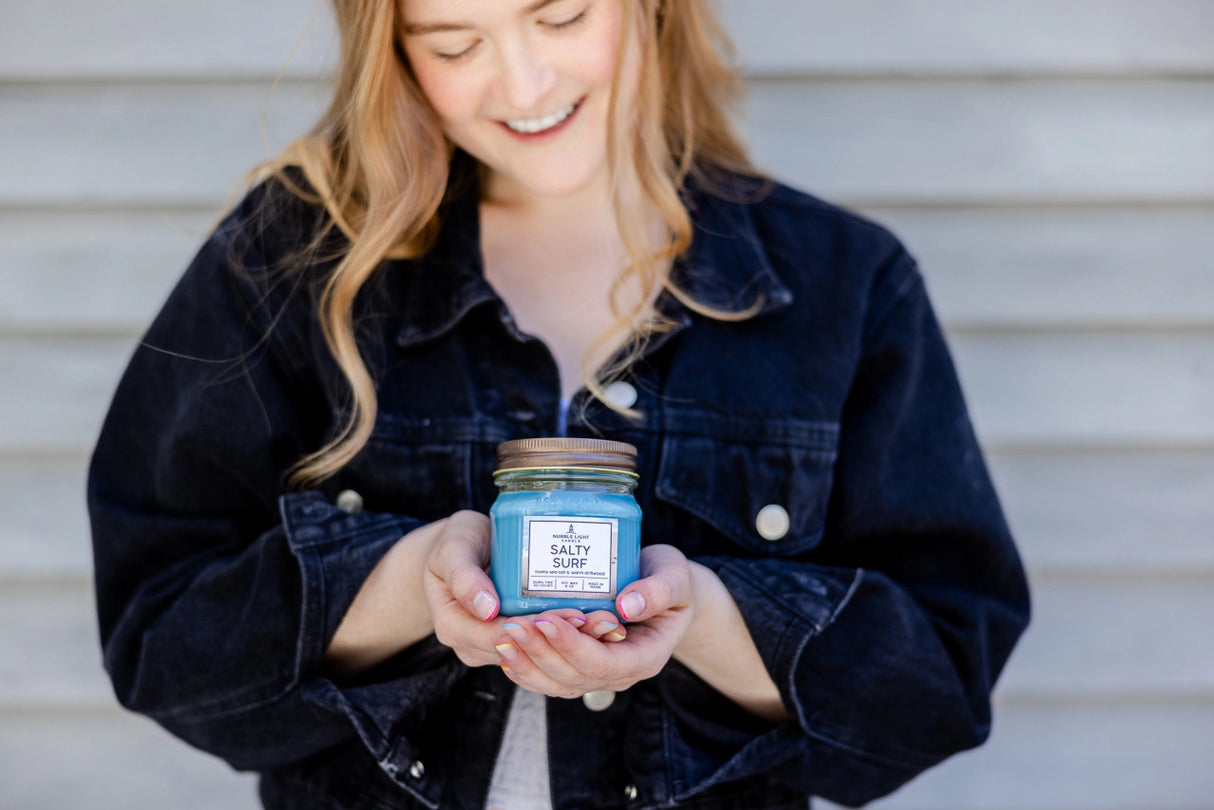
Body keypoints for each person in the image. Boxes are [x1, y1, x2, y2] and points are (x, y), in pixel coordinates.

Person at [88, 0, 1031, 808]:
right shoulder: (294, 262)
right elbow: (161, 639)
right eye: (455, 43)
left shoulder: (842, 285)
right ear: (394, 52)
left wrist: (698, 615)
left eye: (562, 15)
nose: (525, 85)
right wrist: (408, 579)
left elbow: (936, 693)